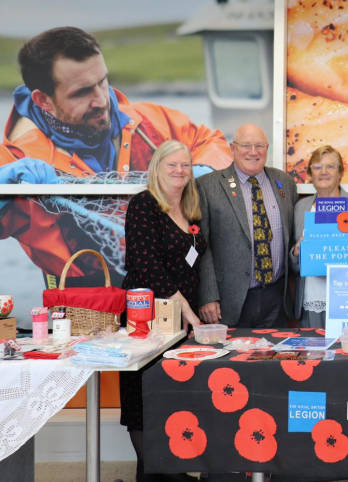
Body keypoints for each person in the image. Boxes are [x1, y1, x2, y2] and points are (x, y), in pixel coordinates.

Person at [0, 26, 231, 289]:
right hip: (85, 307)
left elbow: (211, 142)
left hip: (171, 289)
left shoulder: (153, 123)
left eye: (102, 81)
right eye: (81, 92)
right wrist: (4, 192)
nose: (101, 101)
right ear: (43, 100)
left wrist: (205, 170)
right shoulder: (16, 161)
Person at [120, 140, 204, 482]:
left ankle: (161, 471)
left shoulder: (190, 207)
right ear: (157, 166)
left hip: (181, 319)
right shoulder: (144, 205)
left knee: (171, 392)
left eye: (186, 165)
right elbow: (148, 265)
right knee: (142, 392)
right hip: (148, 316)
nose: (180, 171)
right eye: (172, 165)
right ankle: (152, 470)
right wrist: (189, 312)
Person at [197, 124, 298, 328]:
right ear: (233, 148)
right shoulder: (208, 186)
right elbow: (202, 247)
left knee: (275, 359)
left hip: (277, 299)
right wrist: (207, 296)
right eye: (246, 145)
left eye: (259, 145)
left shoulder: (285, 182)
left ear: (267, 148)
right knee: (231, 359)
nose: (253, 151)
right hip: (229, 301)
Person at [290, 145, 348, 327]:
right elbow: (292, 264)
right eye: (317, 167)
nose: (324, 172)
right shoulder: (300, 208)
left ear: (341, 172)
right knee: (314, 353)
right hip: (311, 299)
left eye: (330, 167)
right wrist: (297, 251)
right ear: (310, 174)